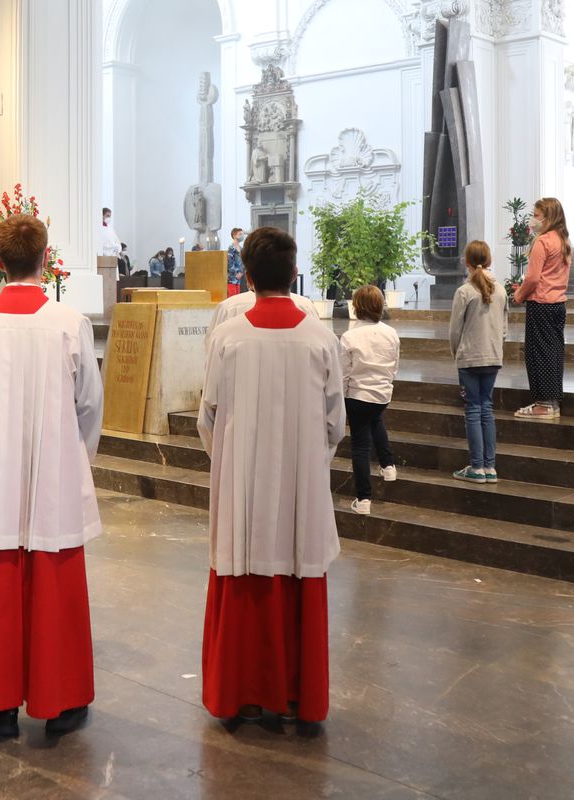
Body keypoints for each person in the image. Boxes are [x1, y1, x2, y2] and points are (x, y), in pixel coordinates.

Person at [0, 214, 103, 739]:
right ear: (45, 257)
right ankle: (58, 704)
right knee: (51, 581)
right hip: (51, 476)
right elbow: (89, 405)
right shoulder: (68, 322)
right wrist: (69, 456)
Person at [197, 226, 345, 733]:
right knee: (298, 573)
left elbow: (207, 416)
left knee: (244, 575)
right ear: (293, 272)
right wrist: (305, 464)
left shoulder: (227, 337)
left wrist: (233, 464)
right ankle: (297, 696)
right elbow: (335, 424)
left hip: (242, 489)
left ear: (249, 276)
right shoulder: (320, 338)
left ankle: (244, 695)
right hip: (301, 490)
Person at [449, 241, 508, 484]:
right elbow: (504, 329)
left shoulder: (464, 291)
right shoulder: (502, 290)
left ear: (467, 262)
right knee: (487, 408)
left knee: (473, 410)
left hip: (470, 357)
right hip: (493, 356)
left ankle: (476, 467)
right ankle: (490, 467)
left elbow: (455, 330)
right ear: (490, 260)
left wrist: (457, 354)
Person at [340, 285, 400, 514]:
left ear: (356, 307)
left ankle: (363, 499)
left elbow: (343, 371)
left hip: (357, 395)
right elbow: (394, 366)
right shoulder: (391, 333)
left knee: (360, 446)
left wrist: (342, 395)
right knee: (376, 420)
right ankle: (388, 465)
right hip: (382, 393)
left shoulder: (350, 336)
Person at [512, 197, 571, 419]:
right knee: (554, 352)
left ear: (548, 217)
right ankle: (552, 401)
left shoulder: (543, 241)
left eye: (536, 215)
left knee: (539, 353)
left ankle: (543, 404)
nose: (533, 219)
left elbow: (533, 278)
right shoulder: (563, 240)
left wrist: (519, 295)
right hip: (558, 304)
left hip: (541, 303)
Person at [227, 228, 246, 294]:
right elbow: (229, 262)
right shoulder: (231, 247)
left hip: (239, 277)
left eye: (242, 234)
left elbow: (243, 262)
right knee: (232, 296)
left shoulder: (241, 248)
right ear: (234, 235)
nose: (242, 236)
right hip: (232, 277)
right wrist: (235, 273)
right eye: (240, 234)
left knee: (237, 296)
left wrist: (241, 273)